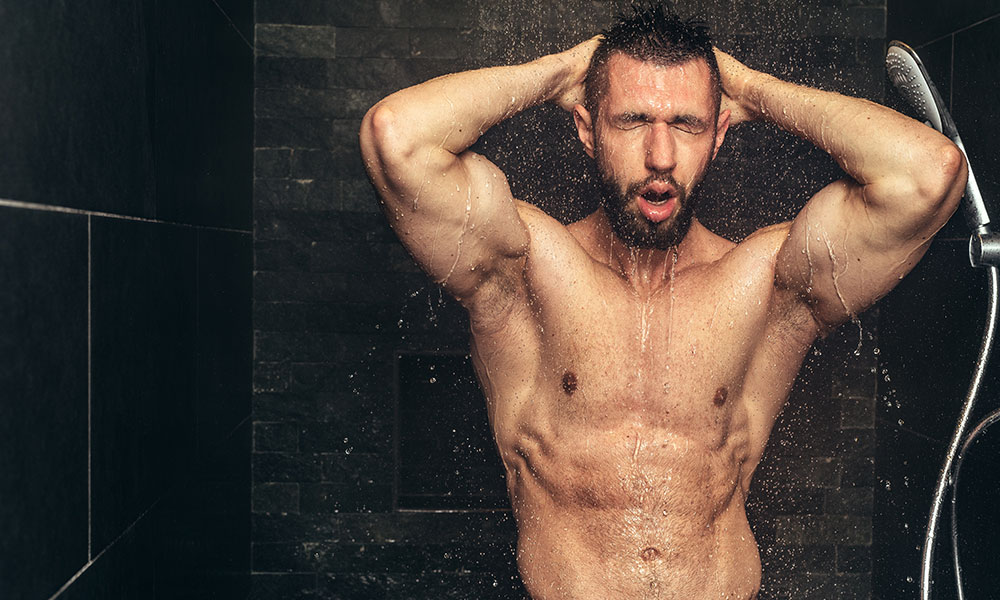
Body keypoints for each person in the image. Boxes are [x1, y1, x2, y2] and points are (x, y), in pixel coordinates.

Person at [359, 3, 966, 599]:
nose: (660, 156)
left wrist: (753, 90)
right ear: (587, 128)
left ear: (719, 133)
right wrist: (557, 73)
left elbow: (928, 176)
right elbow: (397, 139)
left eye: (686, 125)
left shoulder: (762, 283)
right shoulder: (524, 274)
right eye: (630, 121)